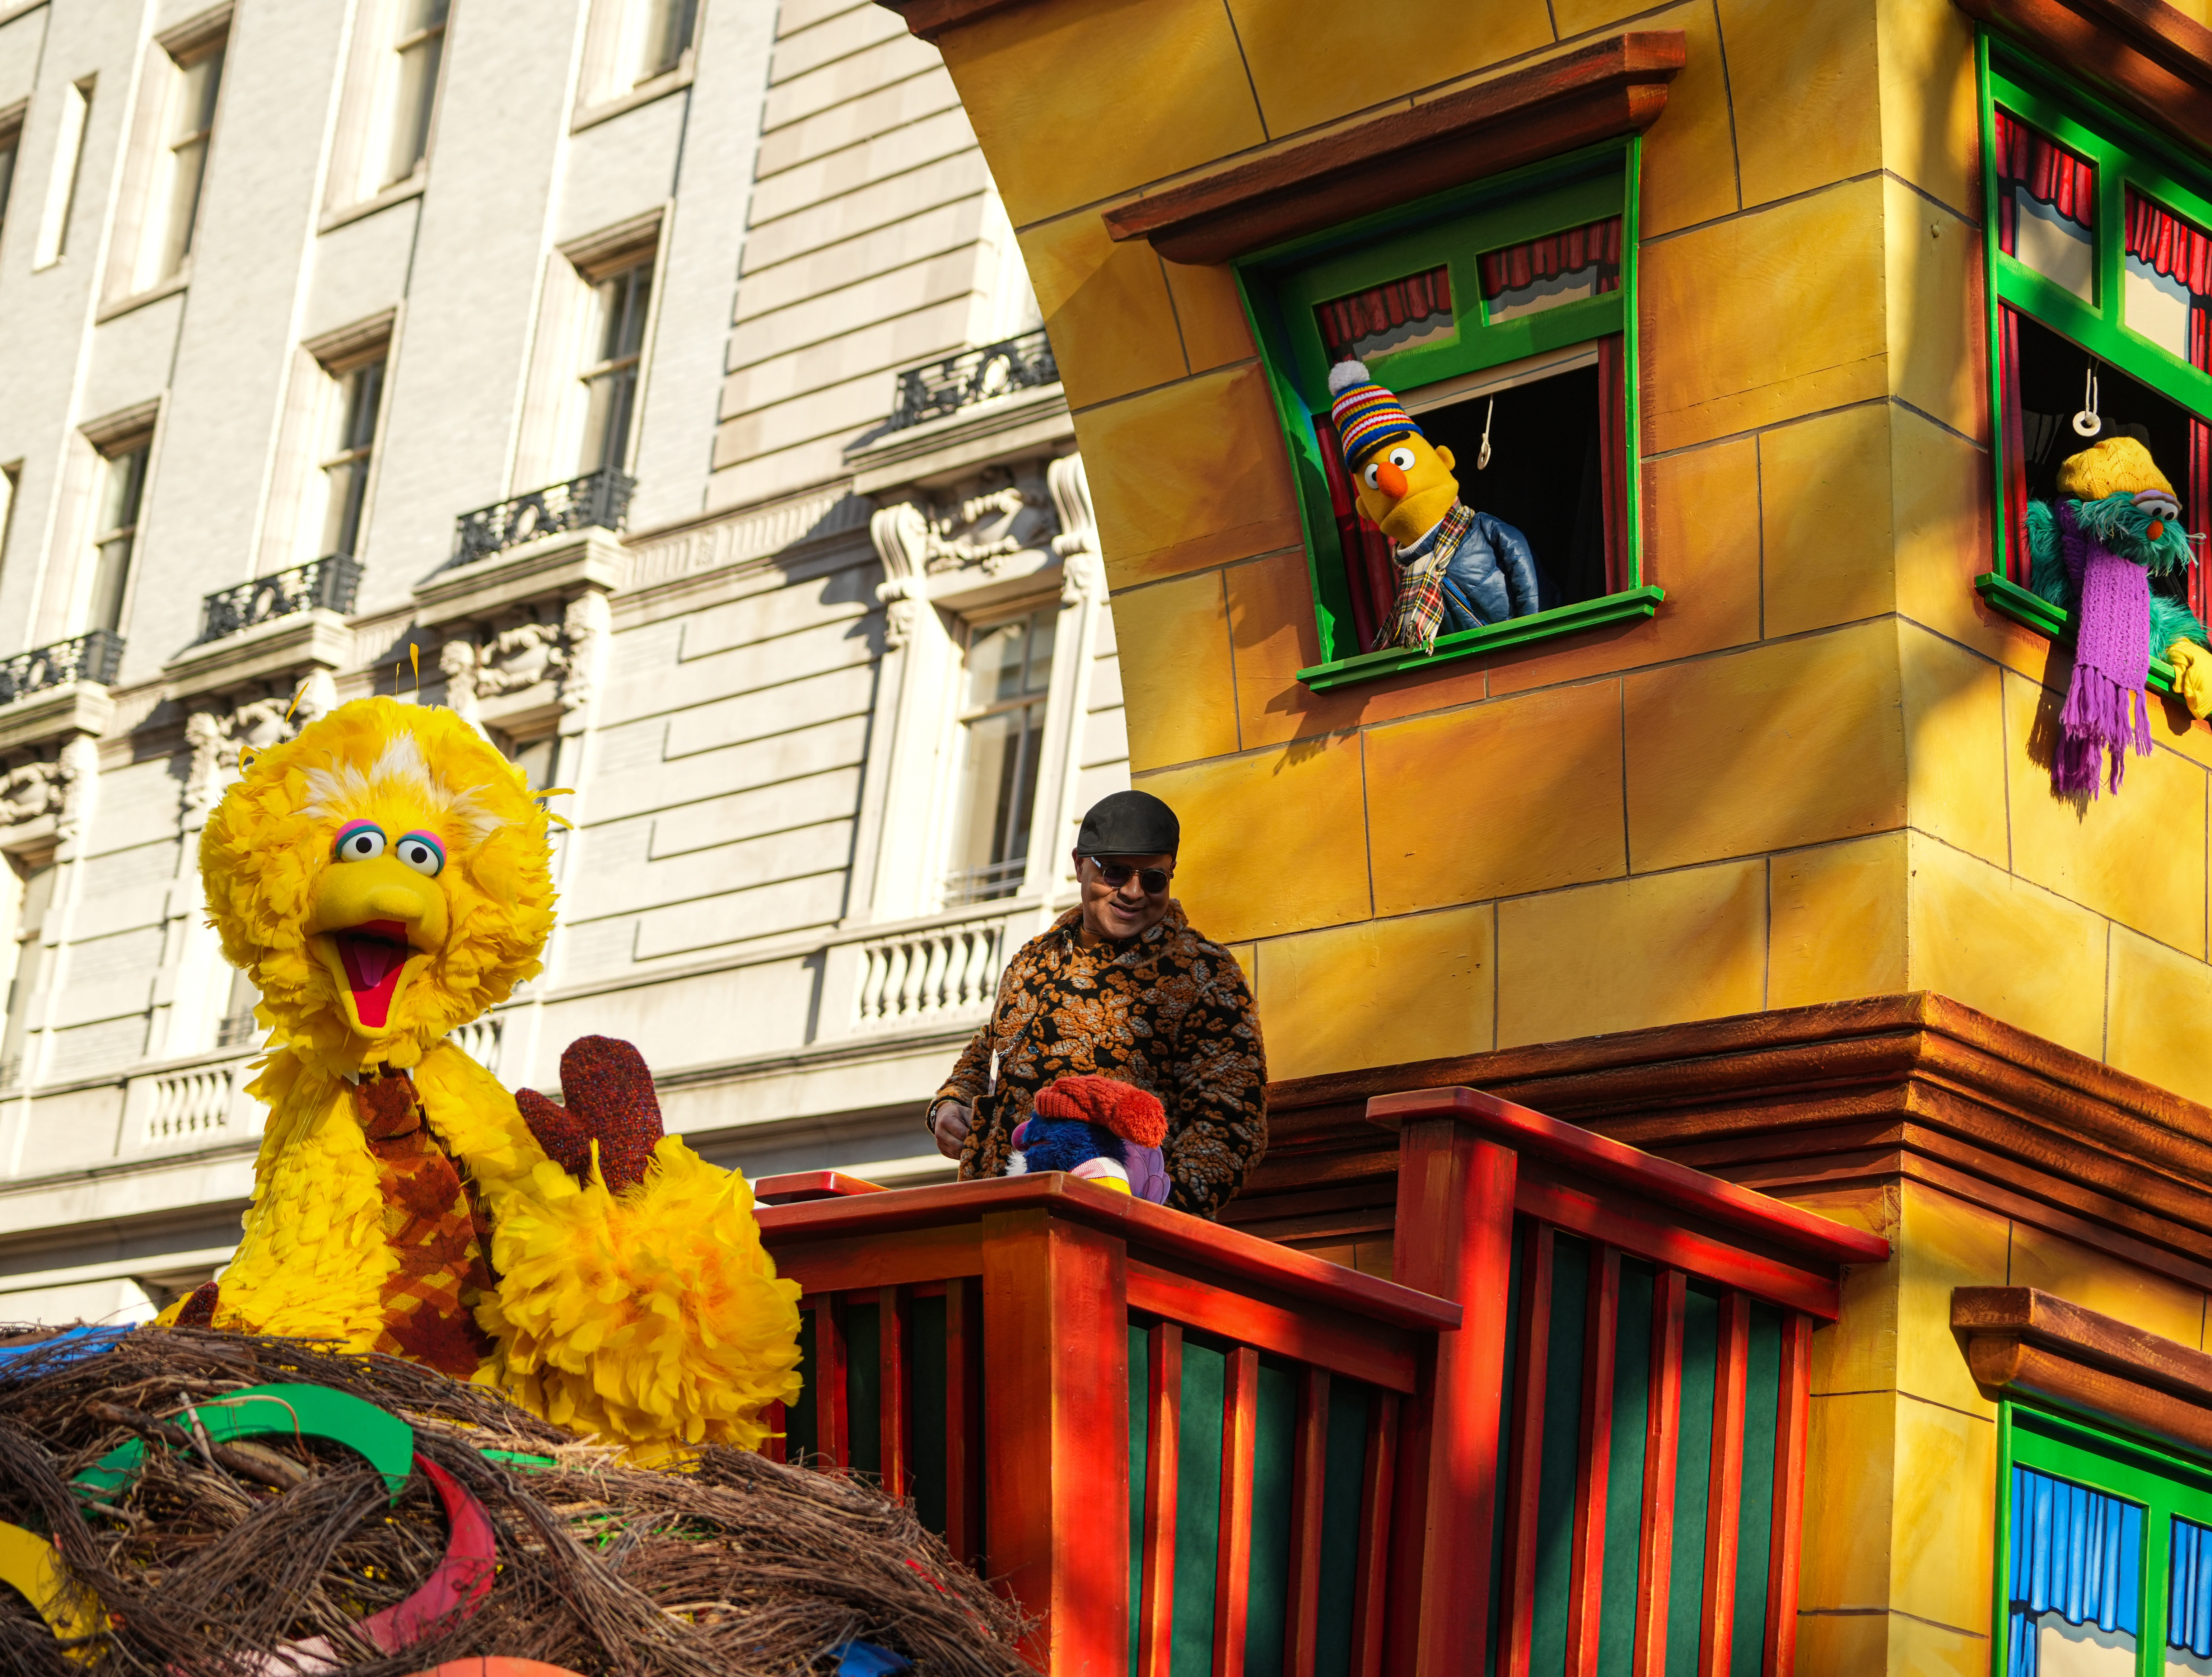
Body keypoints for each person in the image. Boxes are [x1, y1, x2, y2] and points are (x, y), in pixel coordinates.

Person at [926, 790, 1266, 1219]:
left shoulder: (1204, 973)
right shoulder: (1032, 961)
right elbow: (988, 1052)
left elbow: (1231, 1123)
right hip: (996, 1222)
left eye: (1154, 879)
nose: (1134, 892)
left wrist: (1151, 1221)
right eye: (1117, 872)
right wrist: (950, 1103)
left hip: (1114, 1243)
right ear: (1079, 865)